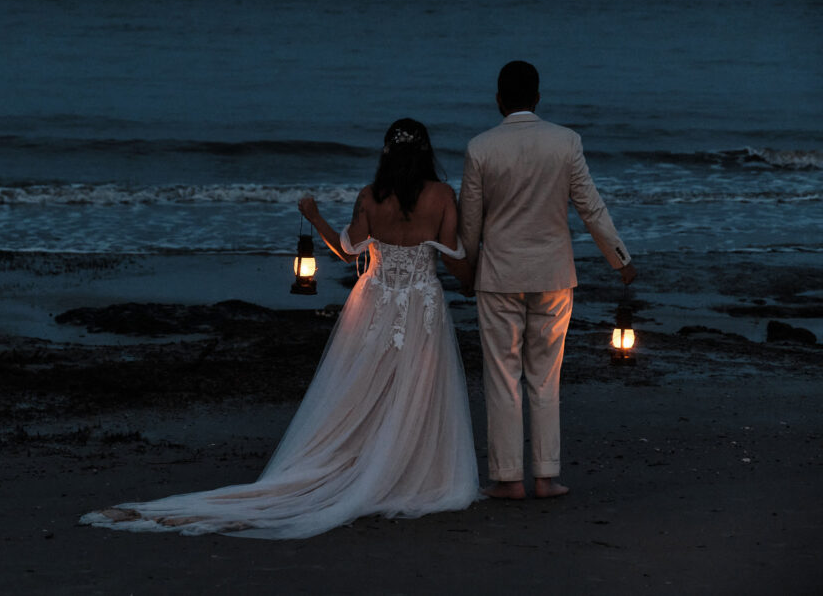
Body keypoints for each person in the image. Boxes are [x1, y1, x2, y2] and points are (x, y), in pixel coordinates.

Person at [80, 118, 480, 539]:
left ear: (386, 153)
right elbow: (453, 256)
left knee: (364, 385)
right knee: (416, 384)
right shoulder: (441, 196)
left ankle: (367, 463)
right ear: (425, 152)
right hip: (420, 302)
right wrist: (472, 281)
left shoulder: (370, 197)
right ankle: (403, 469)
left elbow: (347, 253)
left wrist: (313, 215)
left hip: (376, 300)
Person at [457, 61, 637, 500]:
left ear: (498, 99)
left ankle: (507, 478)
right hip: (554, 274)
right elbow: (590, 208)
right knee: (545, 376)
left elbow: (470, 224)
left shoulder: (480, 148)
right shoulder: (565, 142)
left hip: (499, 275)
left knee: (502, 377)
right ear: (538, 98)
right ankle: (546, 476)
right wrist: (620, 259)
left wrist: (468, 272)